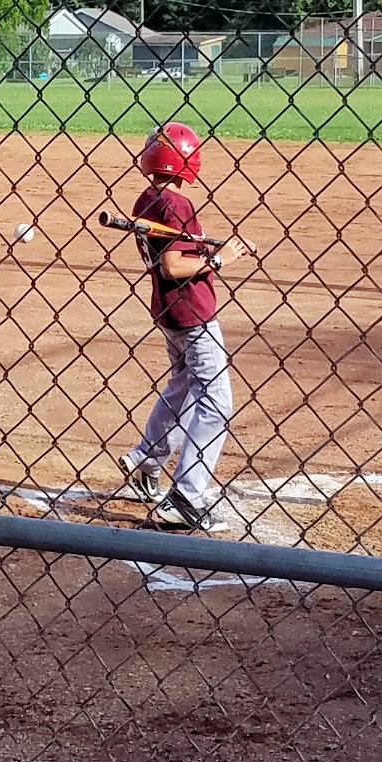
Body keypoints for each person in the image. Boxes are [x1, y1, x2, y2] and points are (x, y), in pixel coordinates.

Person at [116, 121, 255, 534]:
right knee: (216, 402)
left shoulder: (149, 198)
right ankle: (186, 497)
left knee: (183, 384)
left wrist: (203, 243)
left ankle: (146, 460)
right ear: (187, 160)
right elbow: (174, 264)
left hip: (169, 312)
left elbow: (172, 249)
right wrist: (219, 259)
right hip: (193, 313)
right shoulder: (177, 205)